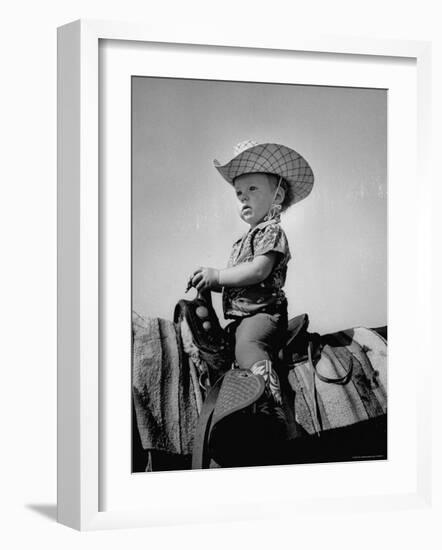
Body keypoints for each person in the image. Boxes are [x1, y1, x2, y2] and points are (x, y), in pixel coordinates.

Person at [188, 139, 314, 408]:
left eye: (252, 188)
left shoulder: (272, 231)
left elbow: (258, 270)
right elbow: (238, 283)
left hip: (263, 316)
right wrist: (209, 282)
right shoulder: (241, 242)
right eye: (239, 192)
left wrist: (218, 276)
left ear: (277, 197)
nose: (243, 196)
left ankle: (270, 402)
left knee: (247, 347)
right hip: (242, 318)